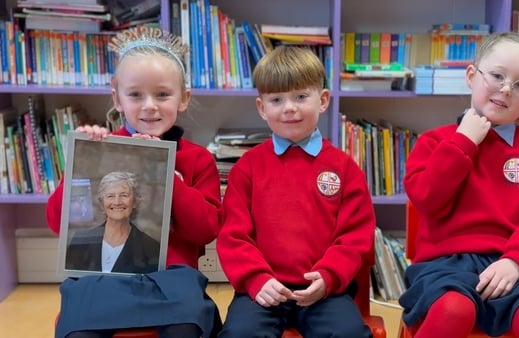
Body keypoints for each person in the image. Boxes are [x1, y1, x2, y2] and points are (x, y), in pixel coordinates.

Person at [46, 26, 223, 338]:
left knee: (186, 327)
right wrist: (82, 164)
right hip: (103, 278)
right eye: (135, 94)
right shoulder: (101, 148)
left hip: (172, 280)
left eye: (163, 94)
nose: (149, 105)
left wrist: (169, 175)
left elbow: (205, 230)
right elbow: (58, 223)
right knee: (80, 332)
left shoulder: (197, 160)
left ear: (183, 98)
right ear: (117, 98)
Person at [400, 32, 519, 338]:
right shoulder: (435, 142)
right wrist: (463, 143)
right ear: (471, 76)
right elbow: (428, 200)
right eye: (496, 75)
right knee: (453, 308)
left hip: (516, 266)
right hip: (446, 268)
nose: (506, 89)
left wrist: (515, 261)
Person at [216, 46, 375, 338]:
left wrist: (329, 276)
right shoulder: (247, 168)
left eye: (301, 97)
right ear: (262, 108)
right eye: (277, 99)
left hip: (324, 293)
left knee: (350, 334)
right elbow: (233, 235)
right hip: (263, 291)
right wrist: (256, 278)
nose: (289, 108)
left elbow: (355, 235)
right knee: (239, 334)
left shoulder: (344, 167)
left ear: (323, 100)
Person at [65, 171, 160, 274]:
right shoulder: (81, 240)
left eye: (124, 195)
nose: (117, 202)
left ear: (135, 202)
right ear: (102, 203)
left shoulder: (151, 247)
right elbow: (71, 283)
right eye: (110, 196)